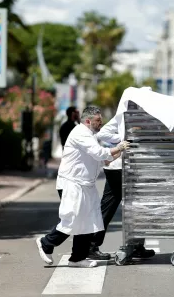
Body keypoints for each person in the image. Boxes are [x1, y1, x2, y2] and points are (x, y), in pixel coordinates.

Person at [36, 106, 130, 268]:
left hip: (86, 185)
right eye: (98, 121)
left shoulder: (90, 136)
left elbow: (100, 159)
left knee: (90, 221)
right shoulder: (80, 133)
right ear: (88, 121)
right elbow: (99, 153)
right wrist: (118, 147)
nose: (101, 123)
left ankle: (78, 258)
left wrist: (116, 153)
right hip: (72, 183)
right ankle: (46, 242)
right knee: (72, 219)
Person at [88, 116, 155, 260]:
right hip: (120, 167)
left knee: (116, 206)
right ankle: (134, 246)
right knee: (135, 207)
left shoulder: (147, 117)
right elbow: (102, 133)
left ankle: (92, 245)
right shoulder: (124, 114)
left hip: (126, 167)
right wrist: (127, 136)